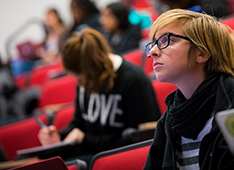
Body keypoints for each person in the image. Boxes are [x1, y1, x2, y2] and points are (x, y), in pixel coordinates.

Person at [143, 9, 234, 169]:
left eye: (167, 40)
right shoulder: (169, 118)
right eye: (153, 44)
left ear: (202, 52)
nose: (153, 51)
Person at [38, 28, 160, 164]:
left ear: (92, 68)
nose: (78, 83)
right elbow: (79, 122)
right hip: (96, 153)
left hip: (122, 156)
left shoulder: (132, 80)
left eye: (80, 77)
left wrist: (85, 139)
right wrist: (58, 136)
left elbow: (139, 139)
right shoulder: (87, 79)